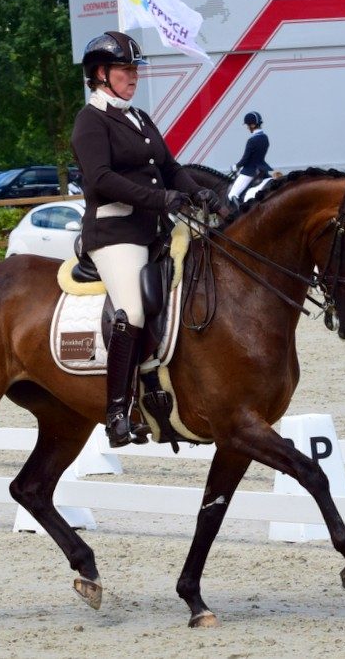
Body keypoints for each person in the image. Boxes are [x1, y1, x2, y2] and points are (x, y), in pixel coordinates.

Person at [71, 31, 222, 448]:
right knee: (132, 311)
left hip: (155, 230)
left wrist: (197, 192)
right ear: (101, 74)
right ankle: (117, 412)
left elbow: (170, 166)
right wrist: (160, 198)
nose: (133, 76)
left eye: (135, 69)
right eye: (125, 69)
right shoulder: (91, 120)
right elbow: (101, 179)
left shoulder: (138, 117)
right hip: (115, 232)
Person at [228, 111, 272, 205]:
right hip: (262, 170)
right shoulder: (265, 138)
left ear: (252, 125)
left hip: (250, 171)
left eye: (248, 125)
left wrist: (236, 166)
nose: (247, 127)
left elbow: (245, 159)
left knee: (232, 194)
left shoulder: (252, 140)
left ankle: (239, 215)